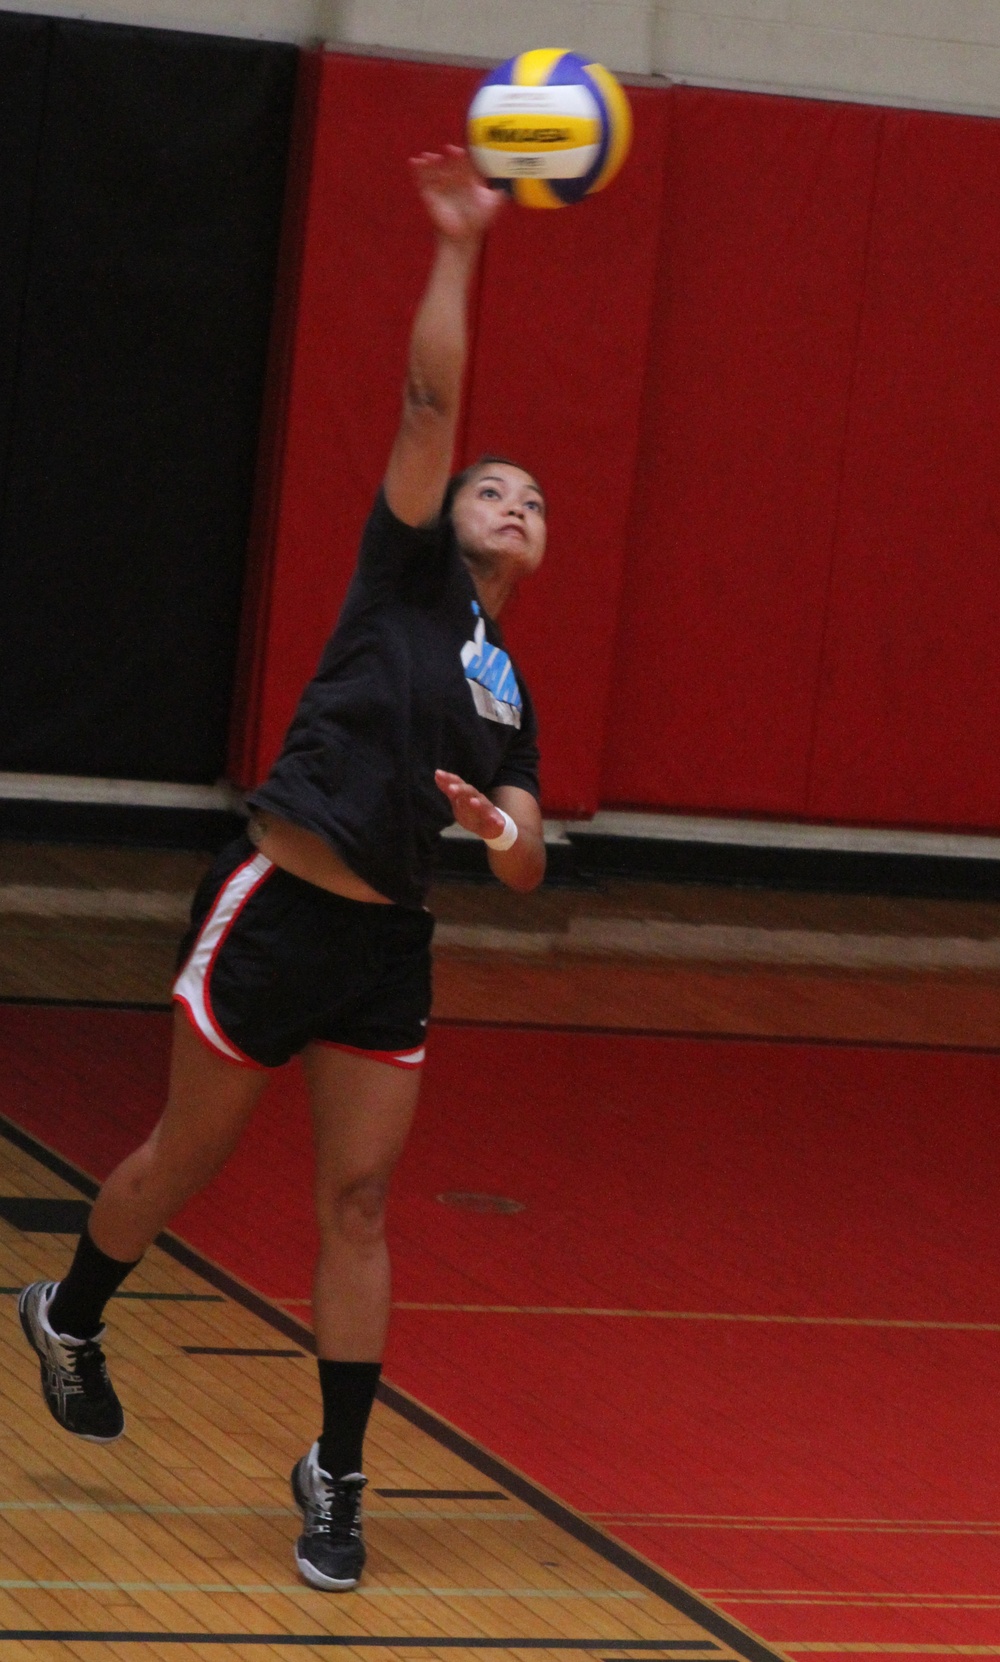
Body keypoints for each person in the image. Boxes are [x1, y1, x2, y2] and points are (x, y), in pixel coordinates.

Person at [17, 146, 547, 1593]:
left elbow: (523, 853)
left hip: (389, 945)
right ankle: (70, 1310)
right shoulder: (404, 572)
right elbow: (431, 399)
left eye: (531, 501)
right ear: (449, 513)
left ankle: (338, 1476)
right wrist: (457, 244)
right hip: (277, 903)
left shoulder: (507, 688)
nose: (510, 501)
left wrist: (502, 832)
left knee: (360, 1206)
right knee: (184, 1159)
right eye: (492, 488)